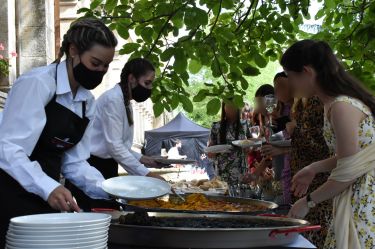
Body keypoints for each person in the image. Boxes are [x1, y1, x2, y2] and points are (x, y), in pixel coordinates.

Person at [0, 18, 117, 246]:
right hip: (10, 195)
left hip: (47, 199)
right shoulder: (37, 83)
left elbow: (74, 162)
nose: (100, 71)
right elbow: (8, 148)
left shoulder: (87, 103)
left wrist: (113, 190)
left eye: (106, 66)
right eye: (95, 63)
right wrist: (48, 187)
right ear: (73, 51)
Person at [284, 40, 375, 249]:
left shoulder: (341, 106)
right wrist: (314, 168)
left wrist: (307, 202)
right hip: (356, 196)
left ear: (306, 72)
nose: (291, 85)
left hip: (363, 200)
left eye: (290, 76)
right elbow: (351, 156)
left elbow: (348, 170)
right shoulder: (334, 105)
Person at [66, 58, 164, 211]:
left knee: (111, 215)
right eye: (147, 82)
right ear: (131, 78)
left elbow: (119, 145)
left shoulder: (125, 101)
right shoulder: (113, 100)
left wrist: (144, 159)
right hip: (91, 165)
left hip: (106, 165)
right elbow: (114, 147)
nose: (149, 88)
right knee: (102, 218)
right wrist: (147, 175)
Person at [261, 72, 294, 205]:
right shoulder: (281, 108)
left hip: (299, 167)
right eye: (275, 88)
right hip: (285, 167)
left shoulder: (302, 107)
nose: (277, 91)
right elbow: (278, 136)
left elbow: (304, 140)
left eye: (281, 86)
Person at [208, 101, 250, 185]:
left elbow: (250, 143)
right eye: (228, 106)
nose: (231, 109)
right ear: (224, 108)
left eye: (233, 106)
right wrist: (214, 151)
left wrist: (248, 148)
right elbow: (210, 152)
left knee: (239, 196)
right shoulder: (216, 126)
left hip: (241, 171)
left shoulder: (244, 124)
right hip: (222, 171)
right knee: (223, 196)